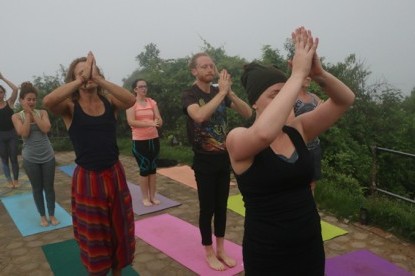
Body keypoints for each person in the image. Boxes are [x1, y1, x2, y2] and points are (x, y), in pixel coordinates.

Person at [226, 27, 355, 275]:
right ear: (254, 102)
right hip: (268, 252)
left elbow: (345, 100)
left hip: (309, 244)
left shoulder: (299, 130)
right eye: (274, 95)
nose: (283, 100)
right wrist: (296, 75)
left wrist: (318, 74)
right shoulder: (238, 138)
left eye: (285, 94)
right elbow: (263, 134)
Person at [42, 51, 136, 276]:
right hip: (87, 178)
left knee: (118, 232)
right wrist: (80, 79)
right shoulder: (70, 108)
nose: (87, 76)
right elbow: (48, 101)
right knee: (94, 238)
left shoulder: (110, 102)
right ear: (74, 79)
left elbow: (131, 100)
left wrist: (99, 79)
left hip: (114, 174)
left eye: (90, 71)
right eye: (80, 72)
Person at [182, 53, 252, 271]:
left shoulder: (219, 92)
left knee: (222, 207)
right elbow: (199, 116)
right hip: (203, 160)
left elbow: (248, 113)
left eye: (211, 66)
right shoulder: (189, 94)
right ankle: (208, 250)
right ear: (194, 71)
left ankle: (221, 248)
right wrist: (221, 94)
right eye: (204, 66)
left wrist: (229, 92)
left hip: (224, 158)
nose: (209, 69)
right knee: (208, 208)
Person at [11, 82, 59, 227]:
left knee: (49, 187)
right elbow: (24, 134)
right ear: (21, 101)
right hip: (30, 158)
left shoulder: (42, 112)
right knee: (37, 188)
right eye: (28, 99)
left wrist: (32, 113)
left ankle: (52, 214)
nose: (31, 102)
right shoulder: (16, 117)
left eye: (34, 99)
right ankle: (42, 216)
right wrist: (26, 114)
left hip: (47, 156)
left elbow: (46, 129)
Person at [126, 79, 163, 207]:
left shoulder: (151, 102)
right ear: (135, 89)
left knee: (153, 169)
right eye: (141, 87)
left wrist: (158, 121)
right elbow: (131, 121)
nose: (144, 89)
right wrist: (150, 123)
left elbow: (158, 118)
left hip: (153, 139)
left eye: (145, 86)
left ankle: (153, 196)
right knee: (144, 168)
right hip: (139, 141)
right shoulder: (131, 103)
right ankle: (145, 197)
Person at [293, 77, 323, 195]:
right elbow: (290, 123)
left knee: (312, 183)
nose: (309, 78)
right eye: (306, 75)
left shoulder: (314, 98)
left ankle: (310, 209)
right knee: (296, 182)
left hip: (314, 146)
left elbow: (323, 118)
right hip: (297, 148)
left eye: (310, 75)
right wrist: (317, 112)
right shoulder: (292, 98)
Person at [0, 72, 19, 188]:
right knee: (4, 159)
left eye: (1, 92)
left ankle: (16, 179)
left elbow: (16, 89)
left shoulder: (10, 103)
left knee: (13, 157)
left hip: (12, 134)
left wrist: (3, 78)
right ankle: (9, 180)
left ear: (3, 93)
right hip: (0, 136)